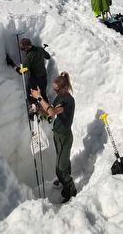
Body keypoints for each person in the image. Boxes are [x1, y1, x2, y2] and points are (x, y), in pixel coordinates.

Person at [31, 71, 77, 203]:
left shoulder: (68, 100)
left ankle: (71, 191)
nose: (55, 92)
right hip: (57, 134)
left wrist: (39, 98)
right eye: (54, 90)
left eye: (56, 90)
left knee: (60, 170)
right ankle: (64, 179)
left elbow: (52, 112)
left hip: (64, 137)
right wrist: (38, 109)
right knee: (62, 161)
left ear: (63, 88)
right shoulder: (60, 96)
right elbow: (48, 110)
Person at [6, 37, 51, 103]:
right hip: (44, 76)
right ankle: (47, 110)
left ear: (27, 47)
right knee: (43, 94)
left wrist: (12, 64)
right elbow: (48, 57)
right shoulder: (40, 49)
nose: (22, 50)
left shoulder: (28, 58)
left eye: (23, 49)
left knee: (32, 95)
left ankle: (35, 109)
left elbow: (22, 71)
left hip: (35, 79)